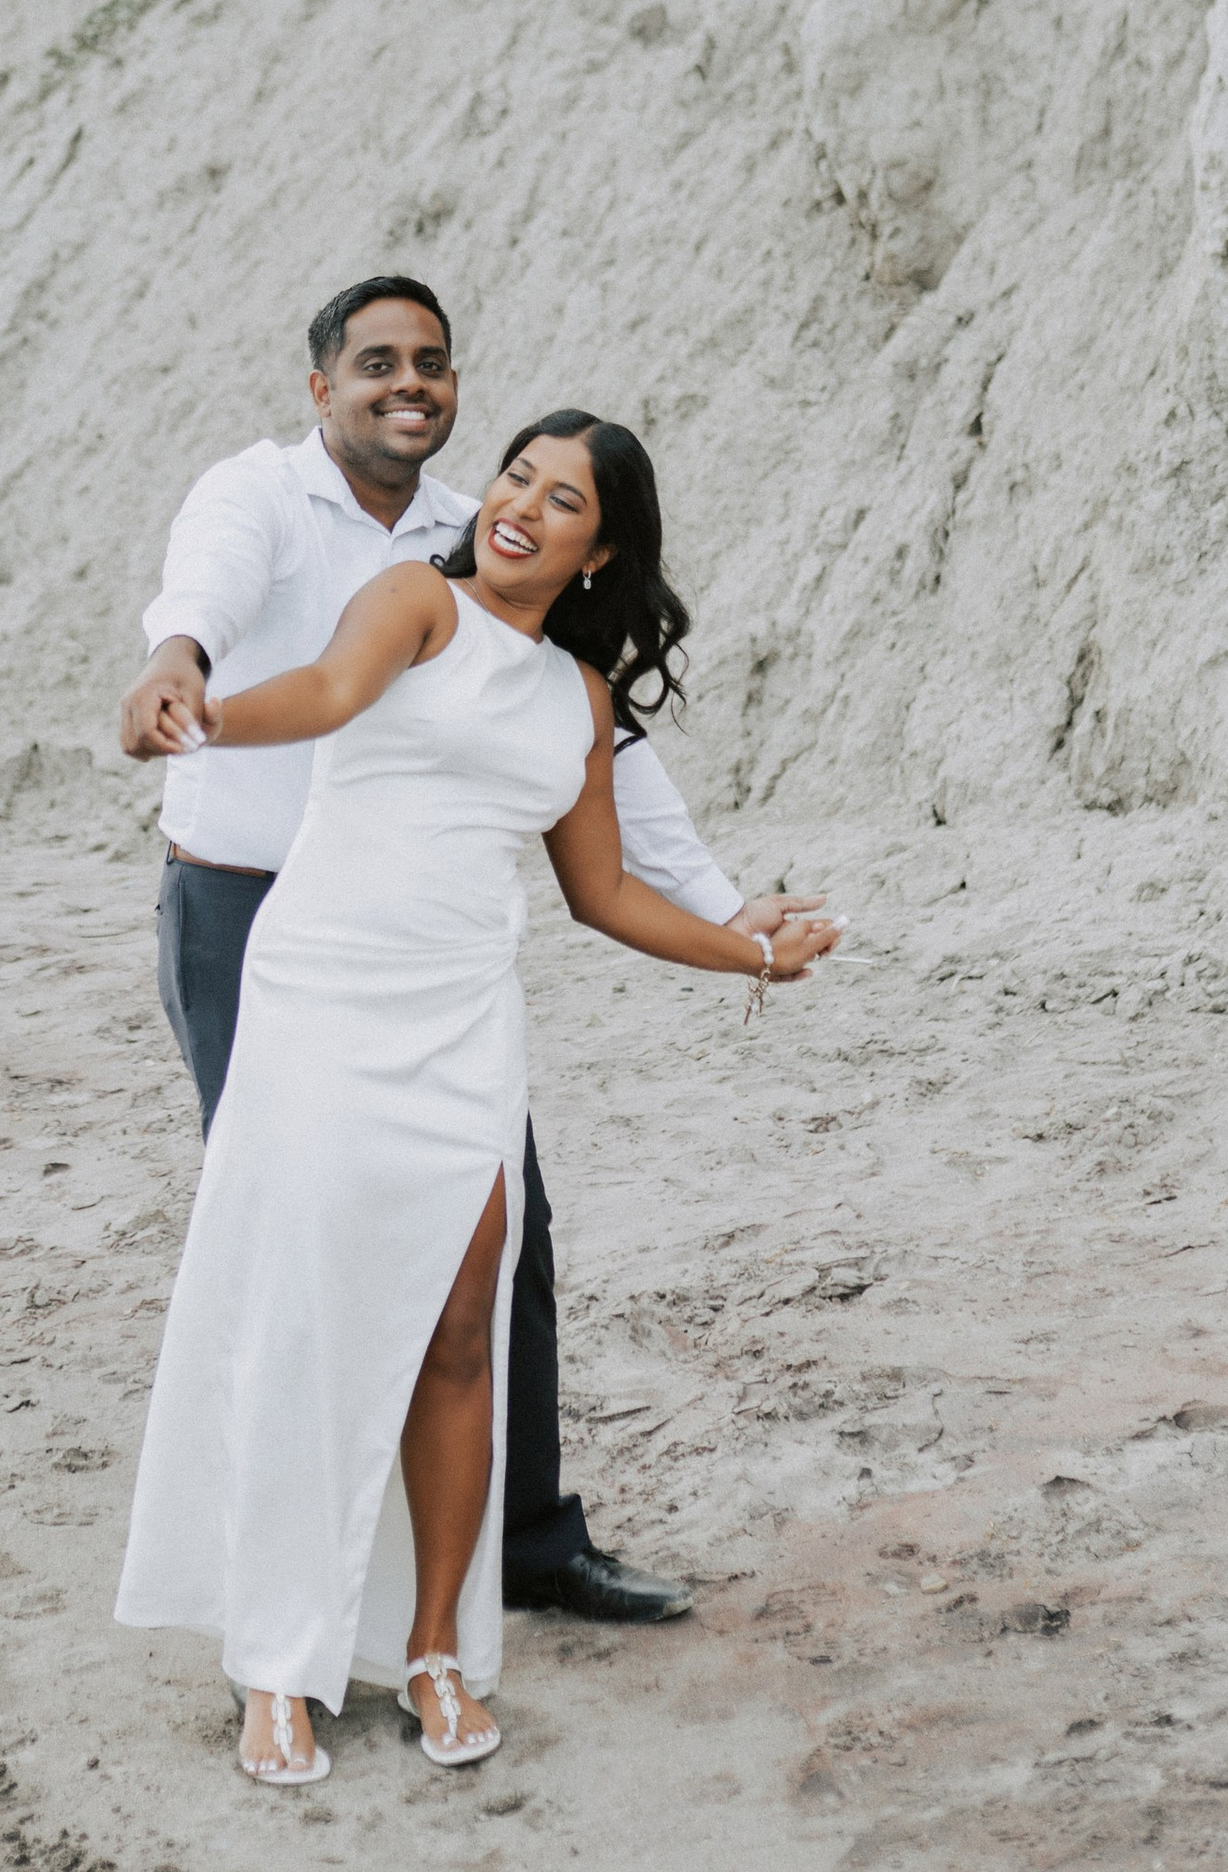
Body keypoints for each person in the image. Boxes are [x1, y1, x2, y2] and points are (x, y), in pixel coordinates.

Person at [115, 413, 838, 1785]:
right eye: (516, 476)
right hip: (326, 998)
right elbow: (326, 693)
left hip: (463, 1021)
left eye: (563, 500)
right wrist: (198, 714)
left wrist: (751, 951)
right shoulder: (413, 601)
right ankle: (277, 1658)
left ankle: (437, 1648)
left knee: (461, 1334)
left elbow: (603, 893)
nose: (520, 505)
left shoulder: (578, 700)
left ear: (600, 550)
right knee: (309, 1326)